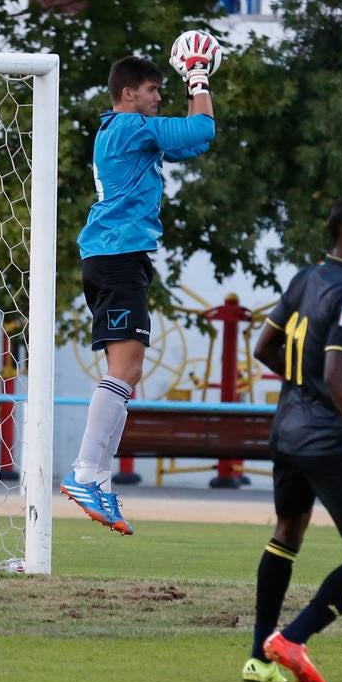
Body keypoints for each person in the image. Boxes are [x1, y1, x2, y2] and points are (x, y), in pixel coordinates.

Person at [242, 198, 342, 682]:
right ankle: (293, 639)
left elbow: (264, 347)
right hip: (324, 439)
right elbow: (338, 376)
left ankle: (259, 659)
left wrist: (302, 386)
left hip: (286, 431)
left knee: (287, 534)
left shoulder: (304, 279)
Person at [60, 39, 219, 534]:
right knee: (125, 368)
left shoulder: (121, 128)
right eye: (153, 90)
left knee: (127, 372)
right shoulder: (130, 125)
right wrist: (198, 76)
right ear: (127, 93)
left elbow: (191, 142)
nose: (158, 98)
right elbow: (200, 132)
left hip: (113, 258)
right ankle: (86, 473)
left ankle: (97, 478)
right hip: (117, 258)